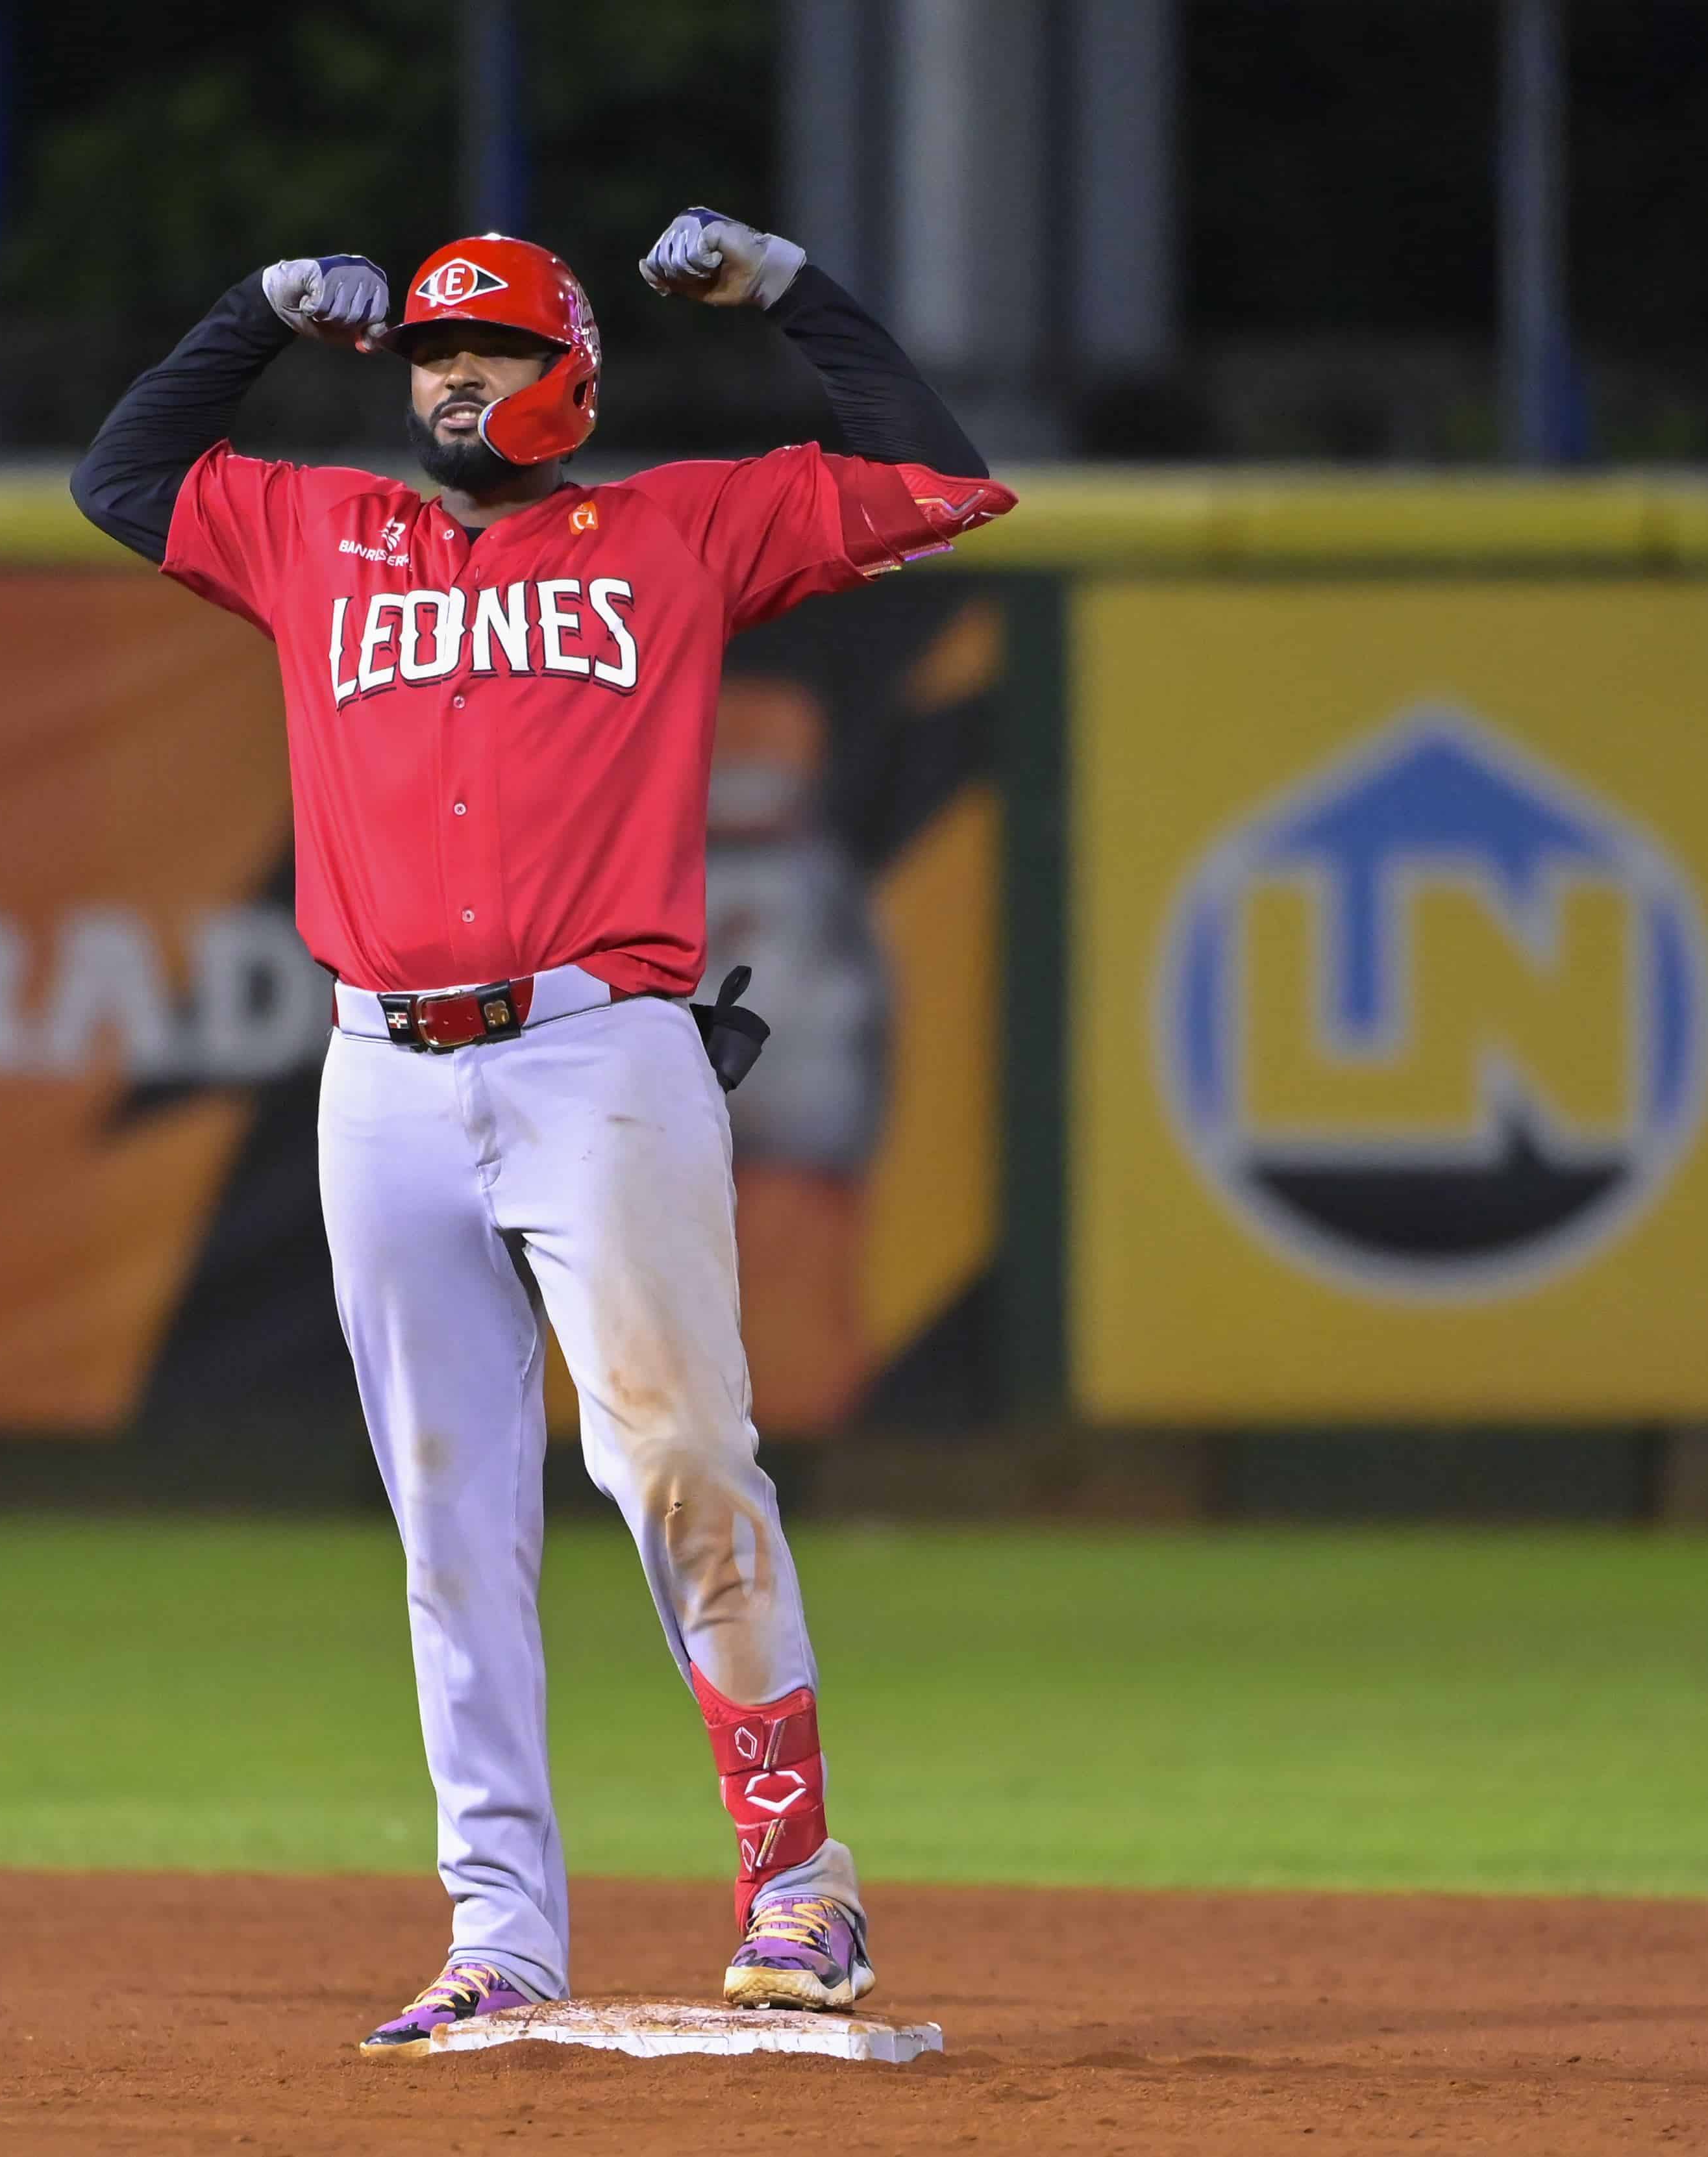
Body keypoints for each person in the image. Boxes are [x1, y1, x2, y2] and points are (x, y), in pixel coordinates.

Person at [69, 208, 1014, 2056]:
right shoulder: (316, 531)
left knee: (674, 1460)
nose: (448, 374)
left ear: (568, 371)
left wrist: (788, 291)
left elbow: (931, 479)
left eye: (486, 346)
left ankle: (796, 1881)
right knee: (448, 1516)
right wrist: (249, 310)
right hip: (379, 1072)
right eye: (428, 348)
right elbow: (121, 476)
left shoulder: (674, 527)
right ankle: (497, 1926)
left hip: (601, 1050)